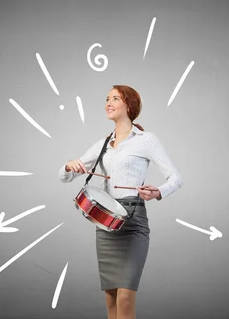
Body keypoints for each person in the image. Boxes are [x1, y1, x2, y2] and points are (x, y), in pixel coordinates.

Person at [58, 85, 183, 319]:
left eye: (115, 98)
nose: (109, 102)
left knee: (125, 297)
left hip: (133, 221)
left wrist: (158, 192)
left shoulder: (146, 140)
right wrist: (68, 165)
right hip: (105, 224)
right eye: (107, 98)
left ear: (130, 105)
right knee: (111, 299)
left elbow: (176, 178)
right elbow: (66, 176)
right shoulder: (103, 144)